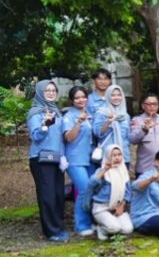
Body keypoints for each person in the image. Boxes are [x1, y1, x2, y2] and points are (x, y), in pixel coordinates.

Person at [27, 80, 68, 242]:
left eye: (53, 90)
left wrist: (63, 156)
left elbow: (60, 138)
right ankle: (51, 232)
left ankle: (58, 227)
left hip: (57, 158)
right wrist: (45, 125)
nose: (51, 93)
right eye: (47, 90)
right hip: (41, 159)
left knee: (58, 194)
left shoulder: (56, 112)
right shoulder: (35, 113)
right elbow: (35, 136)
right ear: (40, 92)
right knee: (47, 195)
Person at [63, 86, 96, 236]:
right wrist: (78, 122)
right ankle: (81, 225)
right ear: (72, 100)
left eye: (83, 97)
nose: (81, 100)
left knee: (91, 189)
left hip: (90, 158)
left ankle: (90, 222)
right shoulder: (69, 116)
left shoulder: (90, 114)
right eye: (77, 98)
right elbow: (68, 138)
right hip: (75, 159)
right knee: (83, 190)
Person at [87, 145, 133, 240]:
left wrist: (121, 206)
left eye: (119, 155)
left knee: (128, 229)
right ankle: (101, 229)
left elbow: (128, 192)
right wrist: (105, 170)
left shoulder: (124, 171)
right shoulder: (102, 170)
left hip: (116, 207)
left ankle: (111, 227)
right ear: (108, 156)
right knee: (114, 228)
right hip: (101, 208)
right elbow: (91, 183)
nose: (117, 158)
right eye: (114, 155)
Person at [129, 93, 159, 176]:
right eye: (149, 104)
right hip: (145, 167)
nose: (152, 107)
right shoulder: (137, 120)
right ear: (143, 106)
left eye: (155, 104)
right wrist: (144, 130)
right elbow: (133, 140)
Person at [93, 85, 131, 169]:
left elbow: (128, 137)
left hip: (123, 156)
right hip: (108, 157)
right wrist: (108, 122)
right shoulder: (102, 113)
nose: (116, 98)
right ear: (107, 96)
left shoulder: (125, 116)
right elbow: (98, 133)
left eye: (119, 95)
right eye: (113, 95)